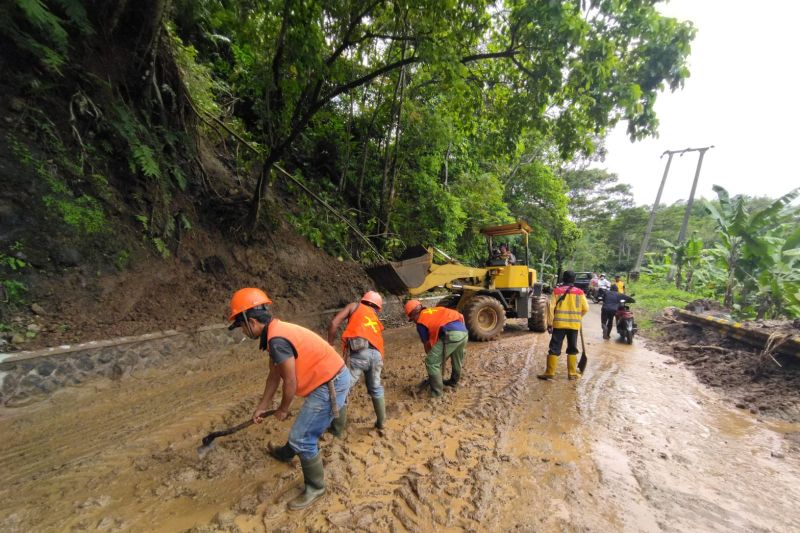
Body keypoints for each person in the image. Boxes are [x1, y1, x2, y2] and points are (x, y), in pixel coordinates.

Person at [228, 288, 350, 510]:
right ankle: (286, 453)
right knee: (304, 428)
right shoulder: (276, 333)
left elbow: (290, 383)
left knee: (303, 436)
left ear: (252, 322)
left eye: (241, 326)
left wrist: (283, 409)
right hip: (330, 378)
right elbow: (274, 376)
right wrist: (261, 408)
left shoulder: (277, 340)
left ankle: (316, 487)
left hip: (330, 383)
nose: (243, 332)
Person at [326, 290, 386, 432]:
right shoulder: (374, 317)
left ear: (363, 300)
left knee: (342, 390)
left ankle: (337, 430)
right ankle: (381, 423)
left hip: (358, 354)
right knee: (375, 387)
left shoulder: (354, 306)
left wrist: (330, 344)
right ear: (377, 307)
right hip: (377, 355)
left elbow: (334, 323)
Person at [405, 300, 468, 397]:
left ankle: (437, 393)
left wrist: (433, 359)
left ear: (414, 314)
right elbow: (460, 316)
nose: (414, 321)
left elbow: (427, 345)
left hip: (451, 335)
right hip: (463, 332)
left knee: (431, 362)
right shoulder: (436, 310)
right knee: (456, 360)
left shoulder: (421, 323)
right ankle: (453, 382)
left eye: (412, 319)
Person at [537, 270, 589, 380]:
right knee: (572, 348)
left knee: (554, 348)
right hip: (574, 325)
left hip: (559, 324)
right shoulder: (580, 292)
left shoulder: (557, 291)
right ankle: (572, 373)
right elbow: (585, 308)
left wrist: (550, 323)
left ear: (563, 279)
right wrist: (577, 317)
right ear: (574, 279)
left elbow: (551, 308)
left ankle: (549, 372)